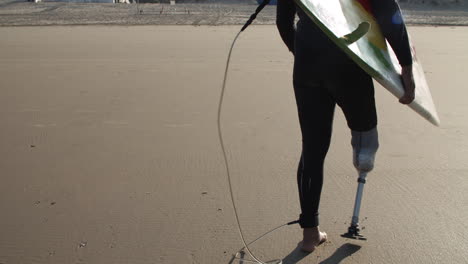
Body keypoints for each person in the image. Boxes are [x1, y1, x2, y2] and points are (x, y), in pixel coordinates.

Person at [276, 0, 415, 252]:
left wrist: (303, 52)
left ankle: (310, 235)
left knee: (312, 149)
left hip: (307, 65)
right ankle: (361, 174)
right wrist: (406, 67)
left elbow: (283, 22)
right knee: (365, 136)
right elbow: (388, 14)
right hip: (350, 61)